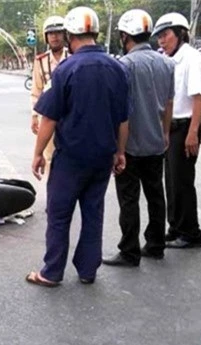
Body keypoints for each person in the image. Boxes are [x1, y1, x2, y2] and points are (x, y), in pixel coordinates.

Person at [26, 6, 130, 287]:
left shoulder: (66, 70)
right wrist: (119, 152)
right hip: (102, 157)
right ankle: (87, 270)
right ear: (95, 33)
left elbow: (49, 118)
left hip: (71, 158)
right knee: (93, 213)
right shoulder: (118, 69)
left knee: (59, 215)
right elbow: (123, 119)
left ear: (71, 36)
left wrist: (37, 153)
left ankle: (51, 272)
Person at [103, 10, 175, 267]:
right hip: (156, 142)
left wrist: (117, 149)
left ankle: (130, 251)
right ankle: (156, 245)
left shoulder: (124, 66)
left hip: (130, 145)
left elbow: (120, 113)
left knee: (129, 198)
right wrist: (165, 133)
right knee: (156, 195)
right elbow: (168, 104)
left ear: (124, 36)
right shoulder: (167, 63)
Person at [153, 13, 201, 249]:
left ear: (180, 33)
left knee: (183, 181)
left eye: (165, 36)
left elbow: (199, 97)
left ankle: (191, 233)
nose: (161, 42)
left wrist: (192, 133)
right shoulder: (170, 59)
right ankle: (175, 227)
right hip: (171, 128)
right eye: (159, 37)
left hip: (186, 126)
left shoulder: (193, 59)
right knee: (171, 181)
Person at [30, 15, 69, 169]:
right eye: (51, 34)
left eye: (58, 33)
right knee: (50, 159)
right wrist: (34, 116)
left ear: (65, 35)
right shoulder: (41, 61)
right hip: (49, 116)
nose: (55, 37)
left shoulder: (73, 57)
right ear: (46, 37)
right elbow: (36, 90)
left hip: (71, 116)